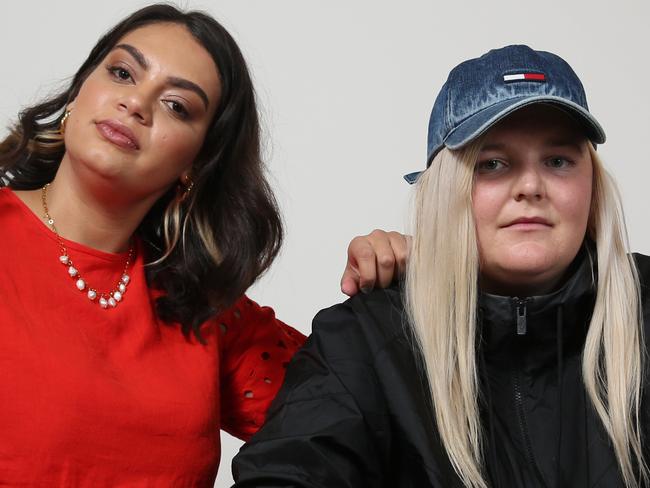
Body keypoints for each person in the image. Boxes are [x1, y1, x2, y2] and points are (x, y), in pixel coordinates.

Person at [0, 4, 407, 486]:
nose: (136, 103)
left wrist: (397, 288)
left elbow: (368, 421)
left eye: (177, 105)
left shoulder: (205, 310)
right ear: (79, 92)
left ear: (197, 161)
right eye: (123, 72)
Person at [232, 45, 650, 488]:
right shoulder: (368, 339)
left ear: (592, 184)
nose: (530, 185)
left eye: (558, 161)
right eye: (492, 163)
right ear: (445, 188)